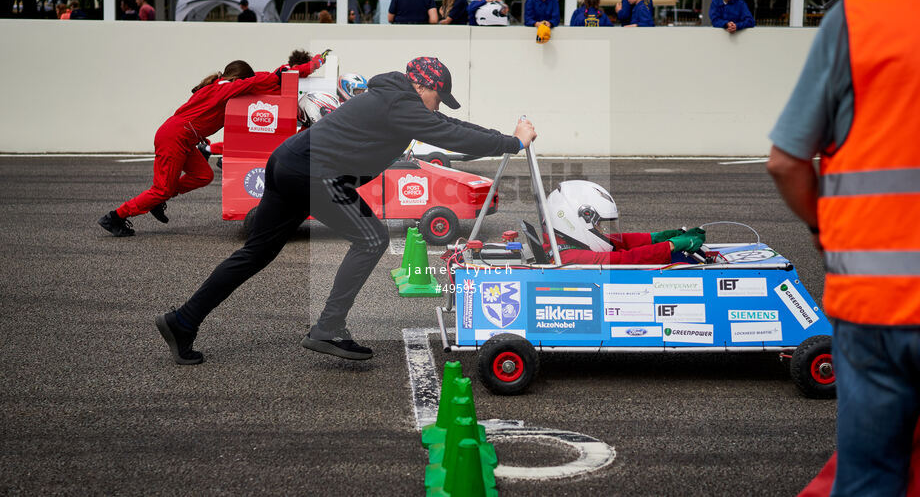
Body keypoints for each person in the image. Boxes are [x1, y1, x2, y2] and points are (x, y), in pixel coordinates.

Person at [154, 56, 537, 365]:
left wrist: (502, 137)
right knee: (372, 239)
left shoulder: (392, 98)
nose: (438, 106)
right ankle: (328, 328)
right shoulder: (400, 102)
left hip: (289, 161)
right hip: (312, 172)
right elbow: (450, 132)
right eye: (439, 97)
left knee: (256, 253)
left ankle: (183, 320)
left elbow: (445, 123)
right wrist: (512, 142)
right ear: (425, 86)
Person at [766, 0, 920, 493]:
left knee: (869, 476)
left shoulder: (860, 17)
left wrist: (822, 230)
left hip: (877, 305)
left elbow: (786, 162)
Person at [98, 51, 327, 238]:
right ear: (239, 79)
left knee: (203, 176)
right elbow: (274, 77)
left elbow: (193, 116)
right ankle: (115, 216)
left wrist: (201, 140)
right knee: (161, 188)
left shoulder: (215, 87)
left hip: (182, 136)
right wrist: (313, 64)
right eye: (246, 82)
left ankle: (160, 199)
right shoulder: (226, 88)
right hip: (174, 138)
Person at [541, 180, 704, 264]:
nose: (600, 229)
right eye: (598, 224)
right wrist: (671, 246)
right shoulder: (570, 257)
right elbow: (624, 259)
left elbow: (616, 242)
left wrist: (658, 237)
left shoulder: (564, 242)